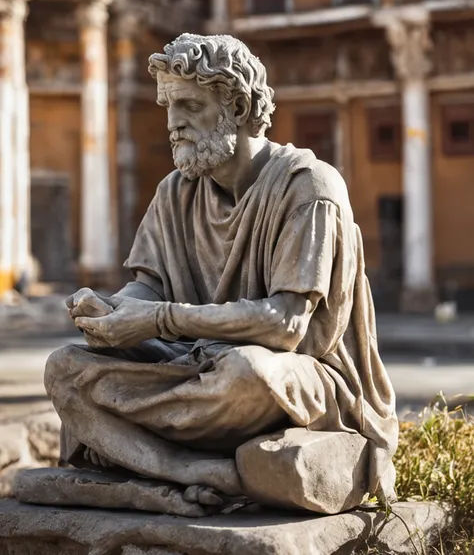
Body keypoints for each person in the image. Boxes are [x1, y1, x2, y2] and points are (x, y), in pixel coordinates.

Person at [44, 33, 398, 510]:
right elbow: (149, 287)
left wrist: (158, 321)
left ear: (237, 105)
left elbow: (285, 325)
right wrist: (111, 312)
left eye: (189, 105)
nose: (172, 124)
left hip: (300, 375)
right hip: (194, 361)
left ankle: (136, 447)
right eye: (168, 106)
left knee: (246, 371)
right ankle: (196, 470)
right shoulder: (175, 191)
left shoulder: (309, 187)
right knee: (65, 367)